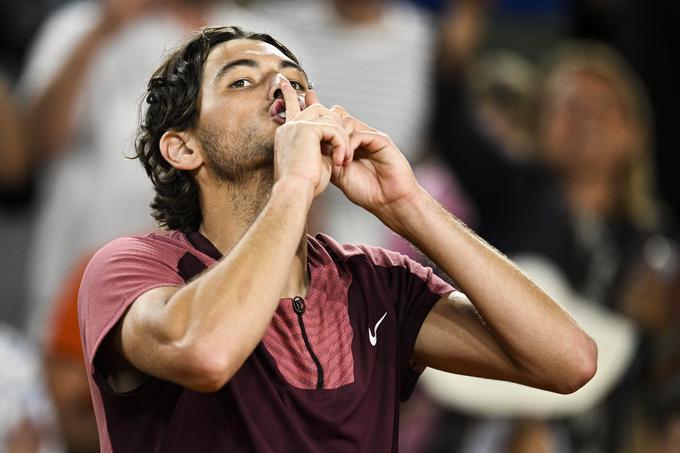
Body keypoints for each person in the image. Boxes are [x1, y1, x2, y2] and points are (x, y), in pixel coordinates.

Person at [78, 26, 597, 452]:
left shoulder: (376, 282)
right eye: (241, 82)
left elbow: (570, 362)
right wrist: (294, 185)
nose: (283, 93)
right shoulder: (133, 268)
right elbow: (207, 351)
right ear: (182, 147)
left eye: (296, 82)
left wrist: (409, 206)